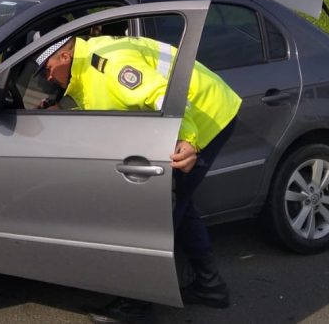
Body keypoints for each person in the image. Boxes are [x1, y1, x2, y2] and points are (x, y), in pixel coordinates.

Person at [36, 34, 242, 323]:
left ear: (65, 58)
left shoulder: (109, 64)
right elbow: (106, 104)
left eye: (47, 69)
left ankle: (137, 304)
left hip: (204, 114)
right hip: (194, 114)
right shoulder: (84, 71)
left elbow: (164, 94)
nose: (46, 78)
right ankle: (210, 286)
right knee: (177, 203)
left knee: (154, 216)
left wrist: (188, 139)